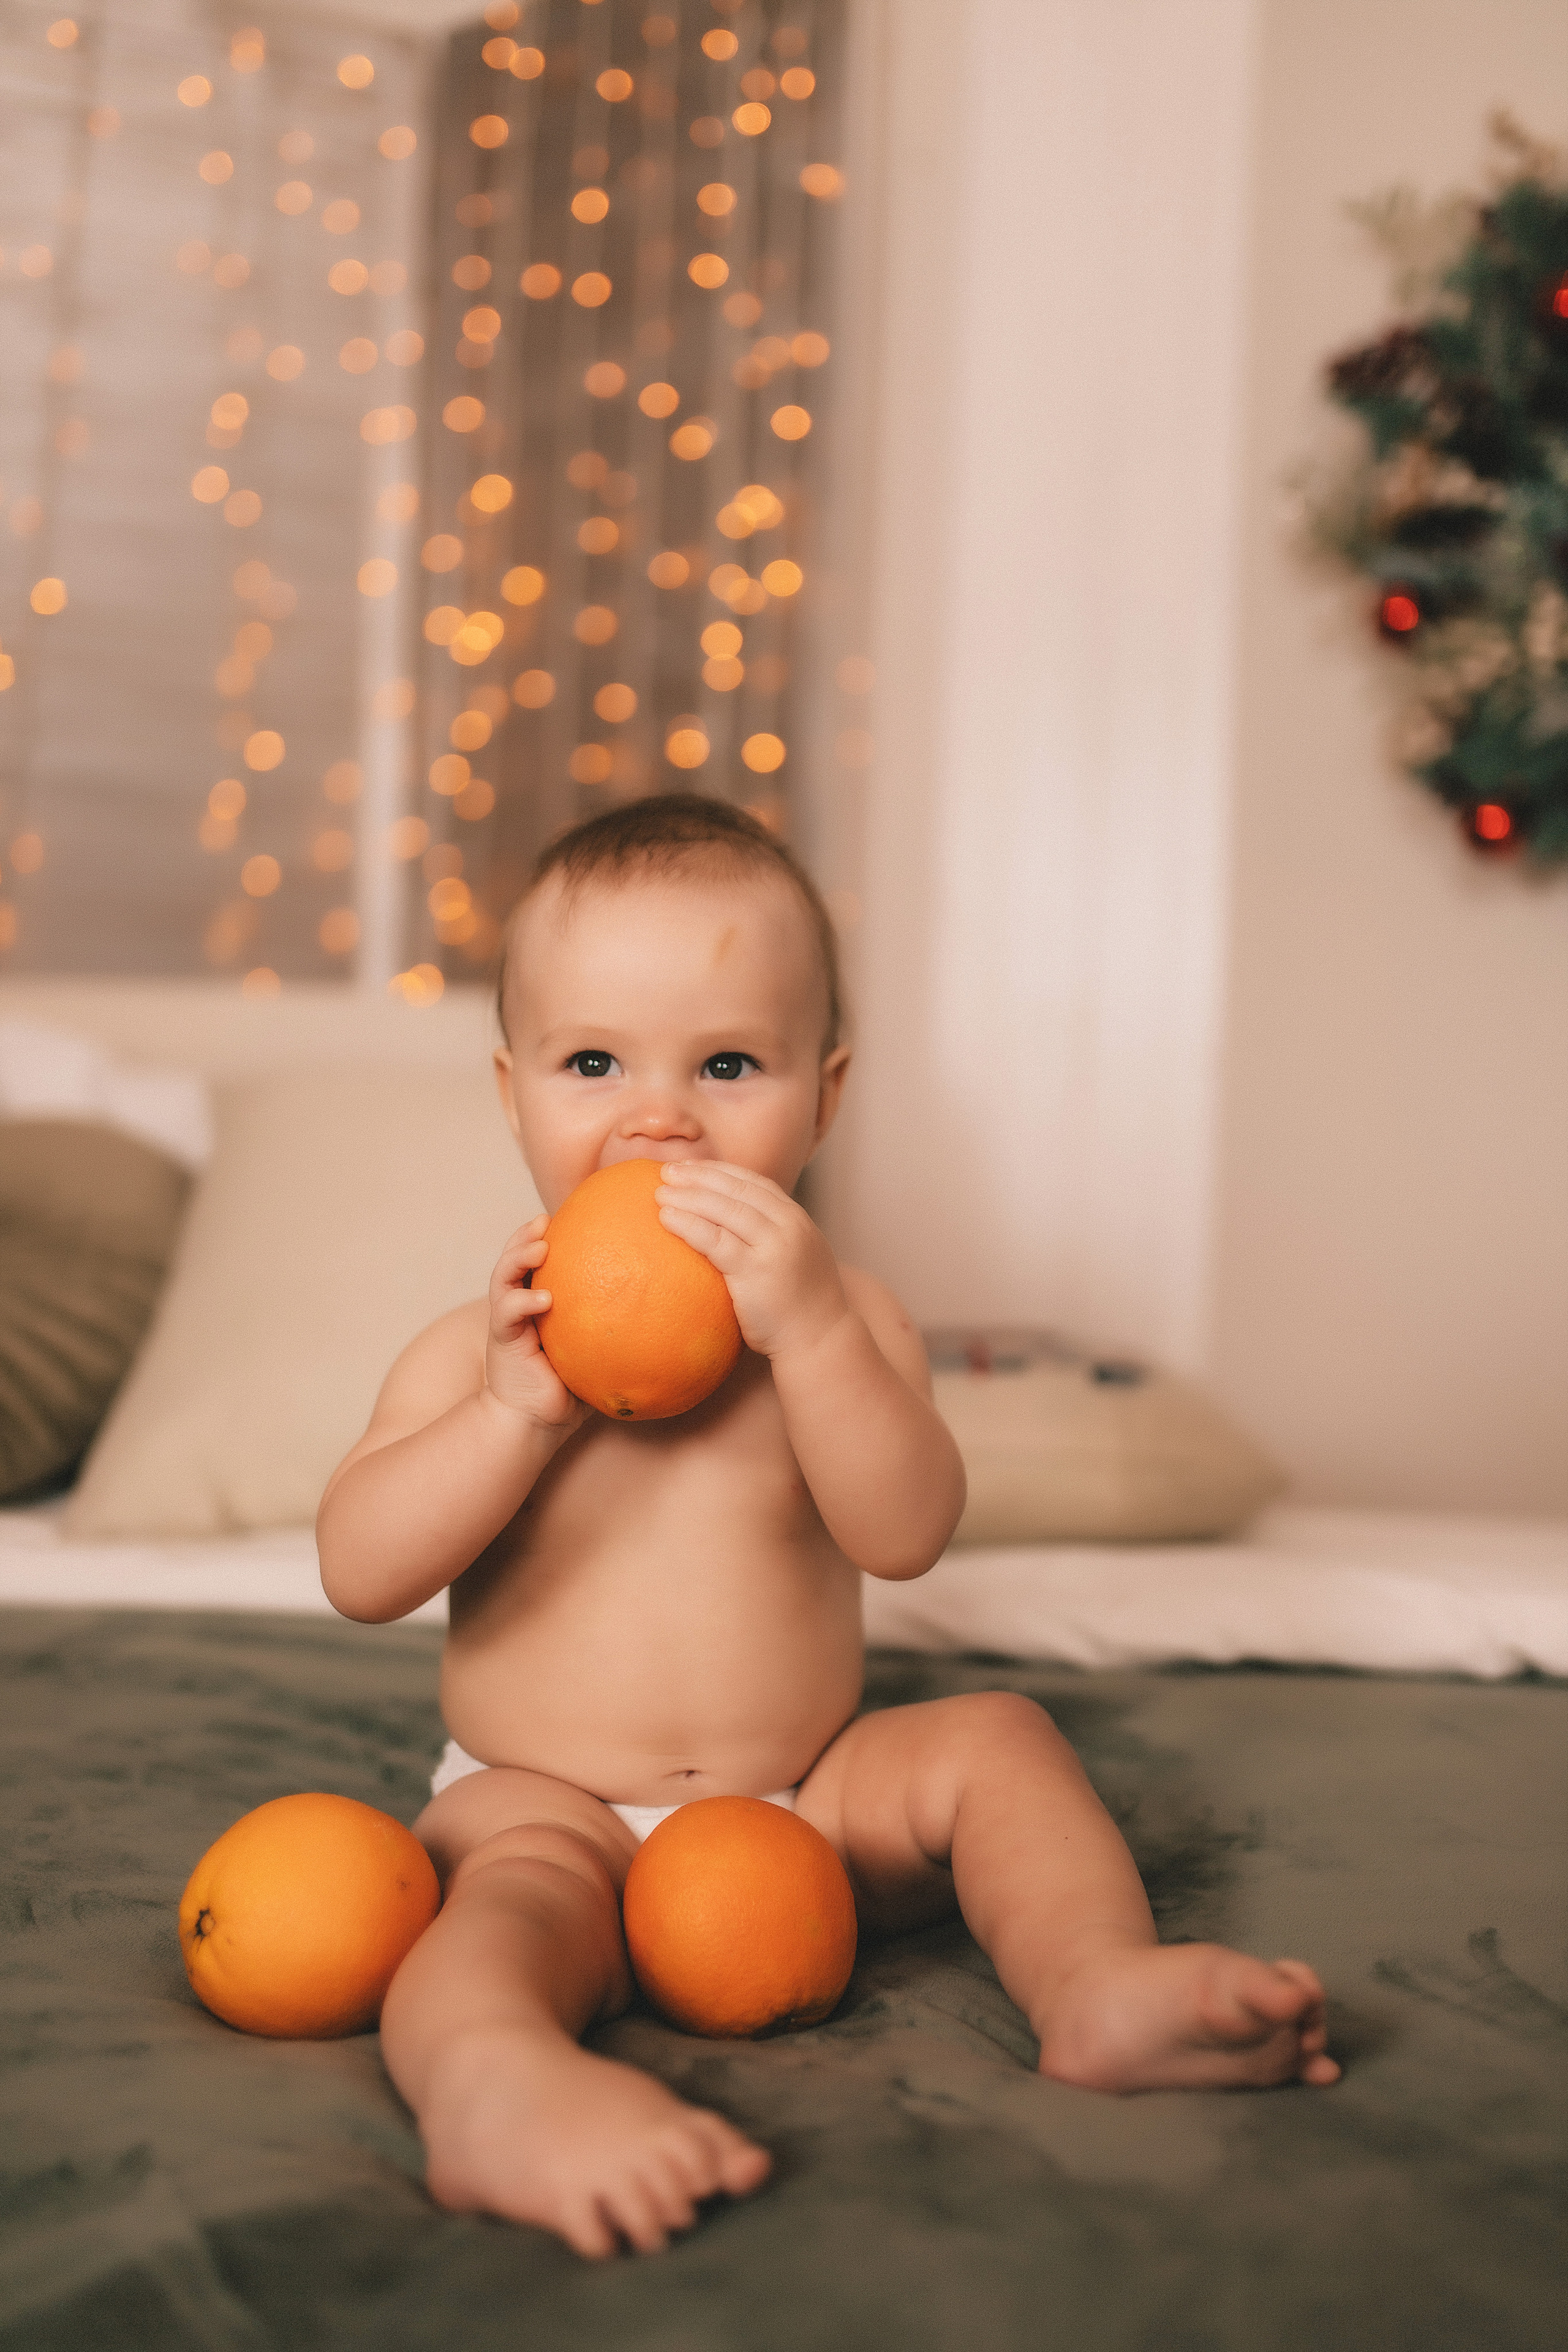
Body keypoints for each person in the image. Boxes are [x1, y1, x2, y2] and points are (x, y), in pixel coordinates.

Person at [317, 794, 1336, 2260]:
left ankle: (1098, 1986)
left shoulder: (848, 1320)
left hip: (804, 1803)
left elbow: (906, 1530)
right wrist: (508, 1420)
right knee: (486, 1918)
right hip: (546, 1798)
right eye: (592, 1062)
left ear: (823, 1096)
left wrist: (807, 1340)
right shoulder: (474, 1354)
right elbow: (359, 1571)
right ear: (512, 1093)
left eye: (728, 1063)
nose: (659, 1117)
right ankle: (498, 2089)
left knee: (996, 1741)